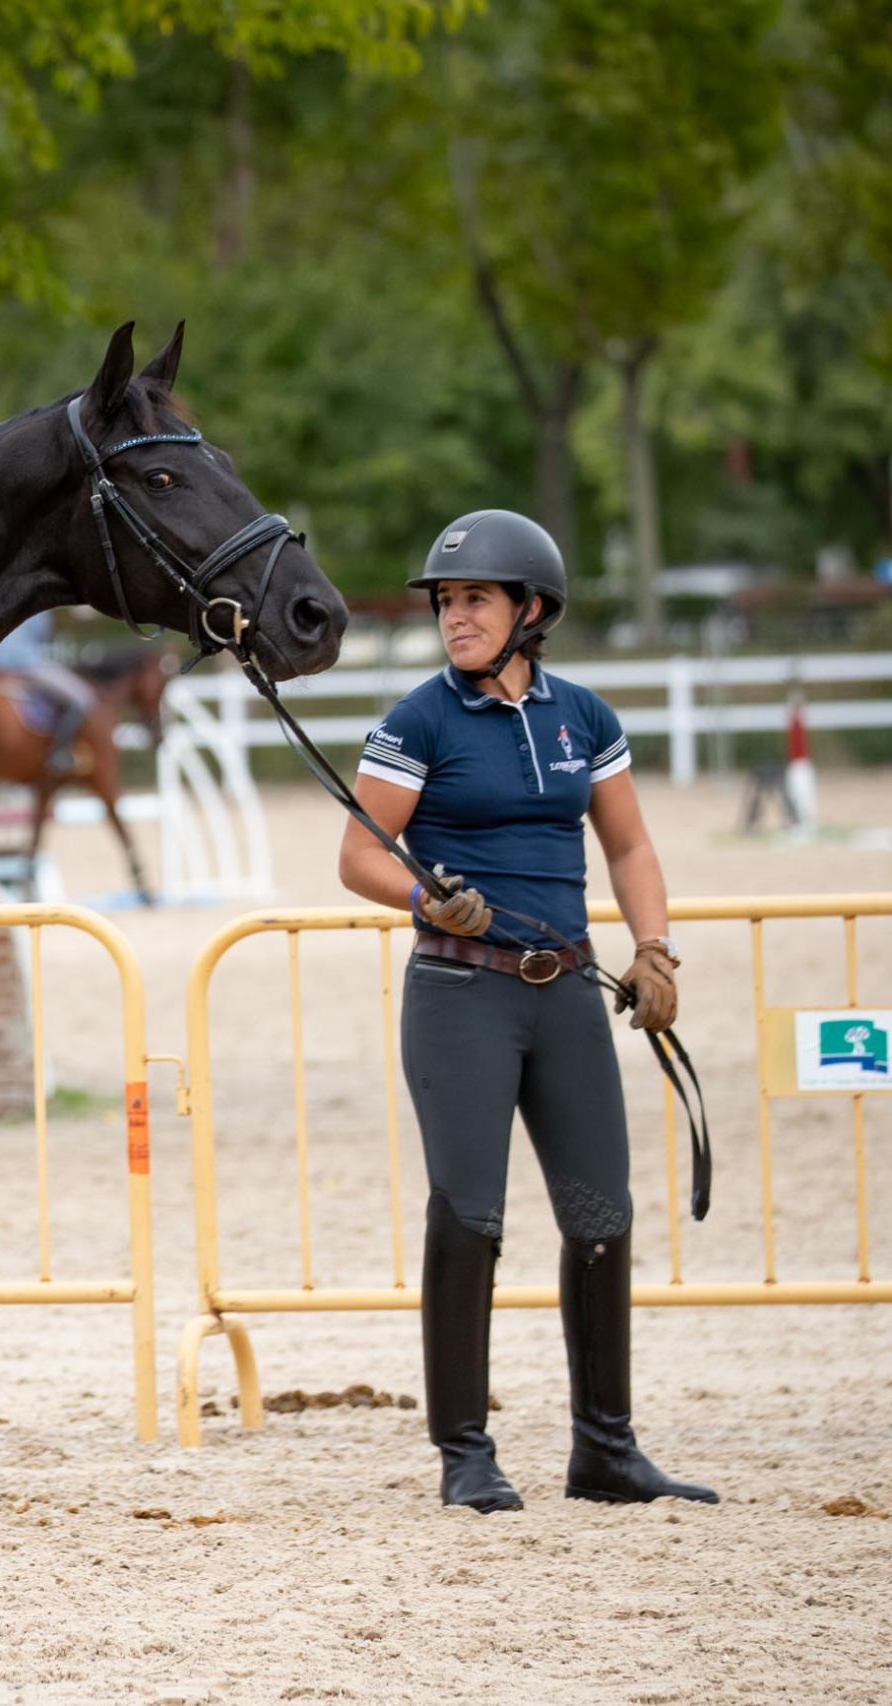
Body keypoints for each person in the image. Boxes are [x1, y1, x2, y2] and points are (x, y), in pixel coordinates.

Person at [339, 509, 716, 1514]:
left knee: (601, 1214)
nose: (453, 617)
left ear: (530, 609)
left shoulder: (583, 717)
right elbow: (359, 854)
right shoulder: (416, 718)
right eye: (445, 601)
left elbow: (628, 846)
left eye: (474, 599)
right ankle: (464, 1451)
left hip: (570, 994)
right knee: (470, 1217)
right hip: (460, 991)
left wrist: (654, 948)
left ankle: (606, 1448)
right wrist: (424, 896)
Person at [0, 610, 94, 773]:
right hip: (25, 665)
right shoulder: (41, 605)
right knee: (82, 698)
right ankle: (59, 753)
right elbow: (42, 636)